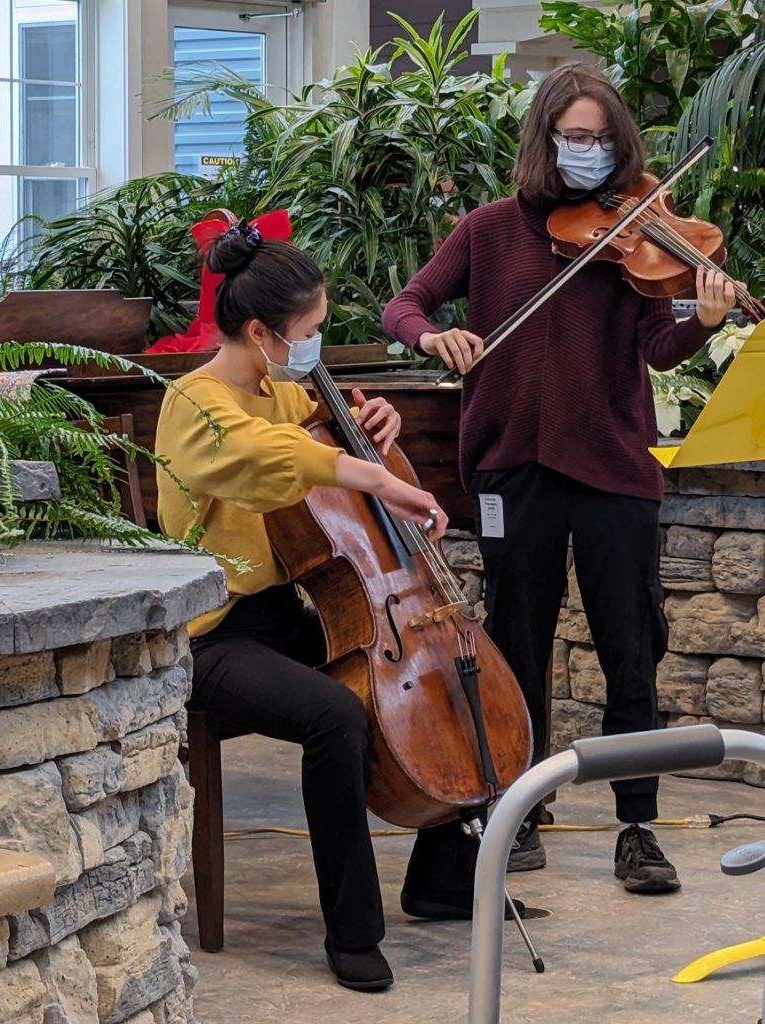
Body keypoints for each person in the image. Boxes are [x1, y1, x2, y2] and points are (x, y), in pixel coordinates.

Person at [382, 62, 738, 895]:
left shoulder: (636, 233)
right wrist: (432, 339)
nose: (587, 151)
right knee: (515, 643)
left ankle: (637, 827)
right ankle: (520, 808)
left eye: (602, 138)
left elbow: (655, 347)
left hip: (613, 466)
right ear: (545, 138)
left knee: (628, 649)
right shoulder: (488, 229)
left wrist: (704, 322)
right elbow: (406, 305)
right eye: (573, 137)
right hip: (511, 465)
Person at [154, 215, 520, 993]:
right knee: (336, 715)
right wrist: (372, 475)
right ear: (260, 331)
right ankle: (352, 932)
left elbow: (322, 437)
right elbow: (267, 457)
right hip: (214, 634)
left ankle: (442, 879)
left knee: (449, 677)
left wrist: (370, 430)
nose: (314, 347)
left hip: (296, 613)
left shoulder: (282, 392)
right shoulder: (195, 403)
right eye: (309, 332)